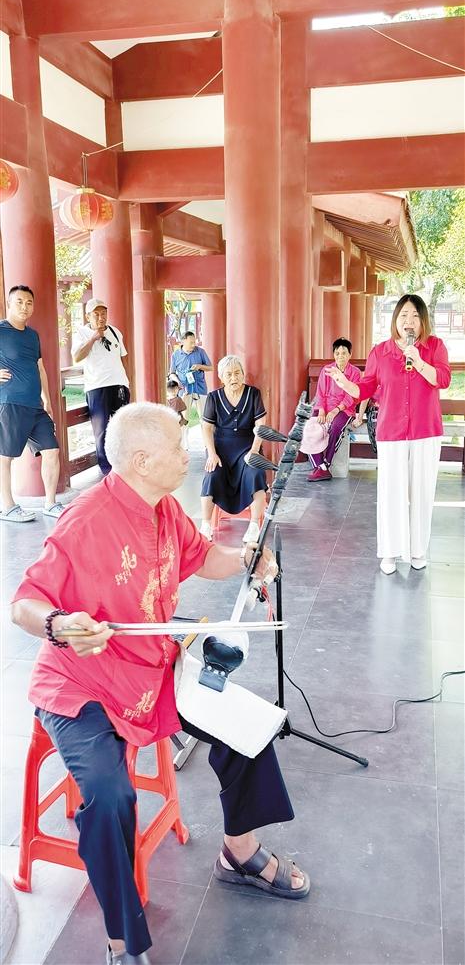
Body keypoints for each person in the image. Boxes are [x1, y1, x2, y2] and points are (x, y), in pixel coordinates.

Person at [11, 402, 310, 965]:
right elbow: (24, 603)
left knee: (248, 727)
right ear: (143, 461)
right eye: (177, 446)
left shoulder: (165, 507)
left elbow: (204, 558)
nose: (187, 453)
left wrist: (247, 558)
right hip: (83, 685)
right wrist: (60, 625)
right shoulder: (84, 519)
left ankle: (238, 852)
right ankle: (122, 940)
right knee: (108, 796)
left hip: (150, 667)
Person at [326, 294, 451, 575]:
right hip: (391, 432)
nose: (409, 321)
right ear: (395, 319)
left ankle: (418, 550)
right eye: (404, 315)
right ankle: (390, 552)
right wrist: (344, 383)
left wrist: (418, 360)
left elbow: (443, 379)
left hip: (426, 432)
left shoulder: (435, 346)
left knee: (421, 492)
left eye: (415, 316)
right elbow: (365, 389)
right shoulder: (380, 352)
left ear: (423, 321)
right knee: (391, 493)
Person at [0, 285, 63, 523]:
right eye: (19, 302)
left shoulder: (32, 335)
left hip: (35, 406)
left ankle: (50, 503)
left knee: (51, 450)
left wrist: (47, 400)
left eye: (29, 303)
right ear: (9, 303)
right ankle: (7, 506)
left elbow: (40, 368)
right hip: (10, 402)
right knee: (5, 456)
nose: (24, 307)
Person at [200, 355, 267, 543]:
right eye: (228, 374)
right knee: (211, 475)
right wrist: (212, 454)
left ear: (243, 374)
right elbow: (206, 427)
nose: (233, 378)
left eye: (237, 373)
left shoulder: (253, 394)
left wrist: (255, 450)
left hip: (248, 447)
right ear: (221, 377)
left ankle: (254, 525)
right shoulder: (214, 397)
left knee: (255, 473)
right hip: (220, 450)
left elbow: (261, 425)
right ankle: (205, 525)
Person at [72, 298, 130, 475]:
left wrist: (127, 382)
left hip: (119, 385)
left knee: (123, 427)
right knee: (101, 431)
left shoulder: (115, 332)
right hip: (97, 387)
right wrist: (93, 339)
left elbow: (123, 358)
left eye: (103, 313)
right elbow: (77, 357)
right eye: (96, 314)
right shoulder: (81, 333)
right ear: (87, 316)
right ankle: (107, 470)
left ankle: (123, 465)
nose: (100, 317)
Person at [307, 338, 362, 481]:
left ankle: (326, 462)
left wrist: (336, 410)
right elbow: (320, 393)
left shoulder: (355, 372)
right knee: (307, 426)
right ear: (334, 354)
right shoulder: (327, 370)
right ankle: (321, 466)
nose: (340, 356)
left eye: (344, 353)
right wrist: (322, 410)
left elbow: (352, 397)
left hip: (345, 409)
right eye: (337, 353)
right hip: (325, 407)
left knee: (336, 427)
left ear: (350, 354)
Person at [169, 331, 212, 421]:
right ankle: (184, 431)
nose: (193, 345)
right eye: (191, 342)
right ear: (183, 342)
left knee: (205, 418)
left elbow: (211, 368)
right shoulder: (175, 355)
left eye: (194, 342)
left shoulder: (200, 351)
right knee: (184, 418)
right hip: (184, 390)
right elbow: (172, 373)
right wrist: (177, 381)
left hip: (200, 388)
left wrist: (199, 366)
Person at [166, 378, 188, 450]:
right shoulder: (178, 399)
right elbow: (184, 408)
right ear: (176, 389)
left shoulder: (166, 400)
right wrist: (184, 397)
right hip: (178, 421)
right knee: (179, 435)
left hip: (168, 421)